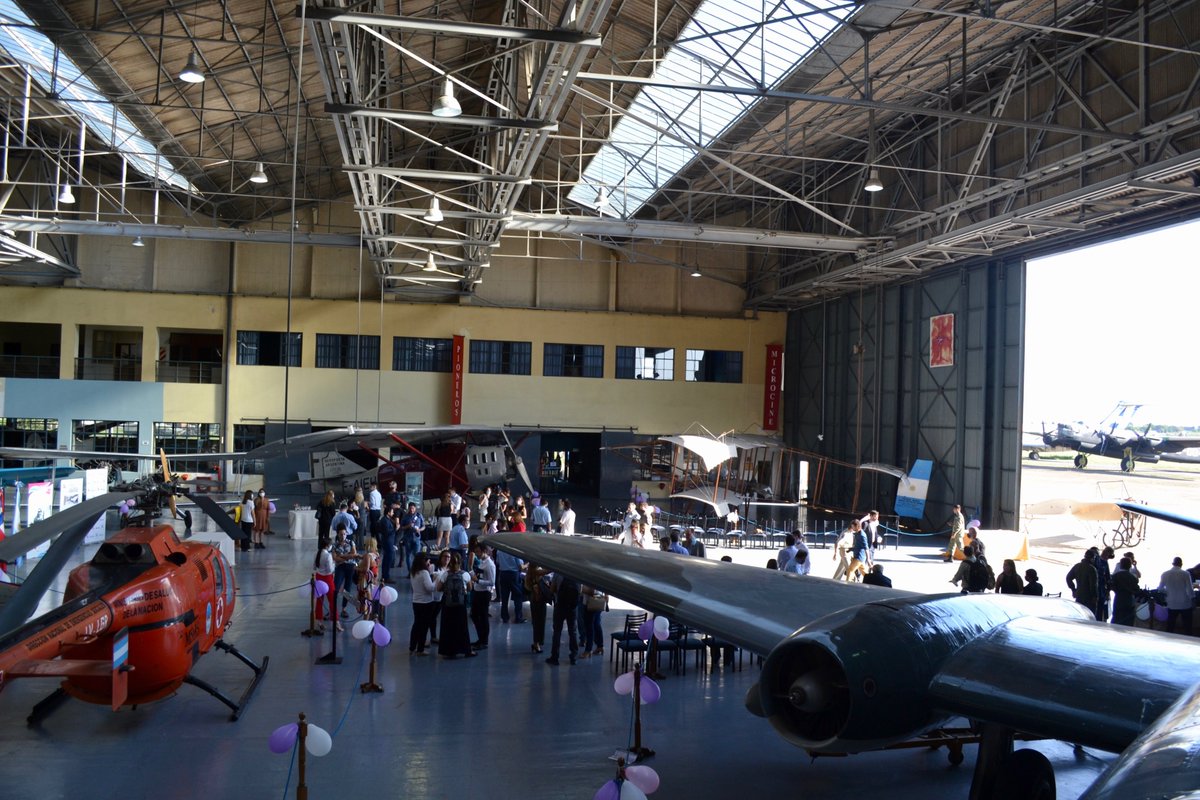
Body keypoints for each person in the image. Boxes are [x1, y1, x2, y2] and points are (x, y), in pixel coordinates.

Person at [435, 551, 475, 658]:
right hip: (460, 604)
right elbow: (470, 588)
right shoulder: (465, 574)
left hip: (448, 605)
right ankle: (465, 649)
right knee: (462, 627)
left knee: (448, 628)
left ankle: (449, 651)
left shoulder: (445, 574)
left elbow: (438, 588)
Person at [546, 570, 581, 666]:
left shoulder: (558, 573)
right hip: (572, 608)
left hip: (560, 606)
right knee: (572, 632)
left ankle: (555, 657)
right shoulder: (577, 574)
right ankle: (573, 656)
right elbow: (579, 591)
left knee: (557, 631)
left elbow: (552, 589)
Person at [1158, 556, 1194, 635]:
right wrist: (1193, 599)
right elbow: (1190, 590)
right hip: (1185, 604)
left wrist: (1168, 592)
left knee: (1170, 626)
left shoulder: (1165, 574)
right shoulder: (1186, 574)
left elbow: (1160, 589)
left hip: (1171, 603)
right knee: (1188, 627)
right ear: (1181, 564)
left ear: (1173, 564)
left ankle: (1168, 640)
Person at [409, 553, 437, 655]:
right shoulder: (424, 573)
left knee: (416, 625)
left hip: (416, 601)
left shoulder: (413, 572)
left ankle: (412, 646)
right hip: (426, 602)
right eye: (428, 561)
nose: (429, 563)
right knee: (424, 626)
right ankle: (420, 649)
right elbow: (430, 588)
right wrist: (436, 581)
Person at [330, 523, 359, 619]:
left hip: (350, 568)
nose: (343, 536)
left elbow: (354, 554)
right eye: (341, 534)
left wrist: (341, 556)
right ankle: (332, 609)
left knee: (347, 589)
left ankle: (344, 609)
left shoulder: (351, 543)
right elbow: (335, 558)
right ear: (338, 534)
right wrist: (348, 556)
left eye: (344, 534)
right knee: (336, 588)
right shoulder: (334, 545)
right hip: (340, 568)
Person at [470, 544, 495, 650]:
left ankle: (484, 640)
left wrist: (477, 580)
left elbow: (491, 582)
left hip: (484, 593)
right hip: (478, 591)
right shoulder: (483, 562)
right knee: (475, 615)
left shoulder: (489, 564)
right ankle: (481, 638)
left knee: (483, 616)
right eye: (476, 552)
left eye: (479, 552)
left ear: (484, 551)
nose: (477, 554)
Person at [313, 535, 338, 631]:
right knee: (332, 600)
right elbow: (330, 570)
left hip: (319, 578)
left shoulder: (317, 553)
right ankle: (335, 621)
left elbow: (314, 567)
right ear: (328, 546)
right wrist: (334, 564)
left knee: (319, 601)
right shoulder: (328, 555)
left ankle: (319, 621)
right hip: (328, 579)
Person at [525, 563, 552, 654]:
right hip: (538, 601)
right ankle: (537, 643)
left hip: (535, 600)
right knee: (539, 623)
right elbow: (546, 571)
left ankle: (537, 642)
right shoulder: (535, 571)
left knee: (538, 622)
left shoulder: (531, 571)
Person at [1111, 557, 1145, 627]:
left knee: (1117, 618)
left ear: (1120, 565)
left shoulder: (1115, 576)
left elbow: (1112, 586)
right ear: (1130, 566)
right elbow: (1136, 590)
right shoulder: (1133, 578)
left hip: (1118, 599)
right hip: (1129, 600)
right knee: (1128, 620)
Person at [495, 545, 525, 623]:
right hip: (513, 575)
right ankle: (518, 617)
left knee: (504, 598)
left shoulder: (499, 550)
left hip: (503, 574)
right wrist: (527, 564)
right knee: (517, 596)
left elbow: (497, 562)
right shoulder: (514, 551)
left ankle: (505, 617)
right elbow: (520, 567)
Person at [580, 583, 606, 657]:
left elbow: (592, 591)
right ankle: (600, 646)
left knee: (589, 628)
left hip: (590, 603)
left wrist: (581, 589)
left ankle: (588, 650)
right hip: (598, 602)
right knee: (596, 624)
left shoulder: (590, 575)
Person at [400, 501, 424, 578]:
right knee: (408, 556)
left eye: (413, 508)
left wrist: (419, 530)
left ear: (415, 508)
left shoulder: (419, 516)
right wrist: (408, 526)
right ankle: (410, 572)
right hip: (408, 539)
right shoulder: (405, 517)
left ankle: (416, 572)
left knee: (417, 556)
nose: (411, 510)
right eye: (410, 508)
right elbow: (401, 528)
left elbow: (424, 526)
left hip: (417, 538)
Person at [1095, 546, 1115, 621]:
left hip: (1102, 588)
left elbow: (1107, 575)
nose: (1108, 557)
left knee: (1101, 607)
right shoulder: (1098, 560)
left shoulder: (1105, 562)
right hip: (1098, 586)